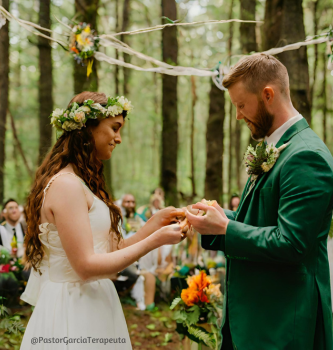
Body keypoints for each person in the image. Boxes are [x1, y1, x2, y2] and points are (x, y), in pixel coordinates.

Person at [186, 54, 333, 349]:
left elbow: (291, 243)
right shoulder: (277, 146)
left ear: (268, 95)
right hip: (254, 319)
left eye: (241, 105)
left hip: (283, 324)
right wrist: (212, 219)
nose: (238, 116)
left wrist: (226, 228)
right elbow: (261, 221)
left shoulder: (306, 156)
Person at [20, 92, 186, 350]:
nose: (118, 138)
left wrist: (154, 224)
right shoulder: (66, 185)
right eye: (115, 128)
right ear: (87, 129)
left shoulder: (86, 184)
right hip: (72, 308)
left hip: (97, 302)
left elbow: (112, 252)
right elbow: (85, 266)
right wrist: (156, 241)